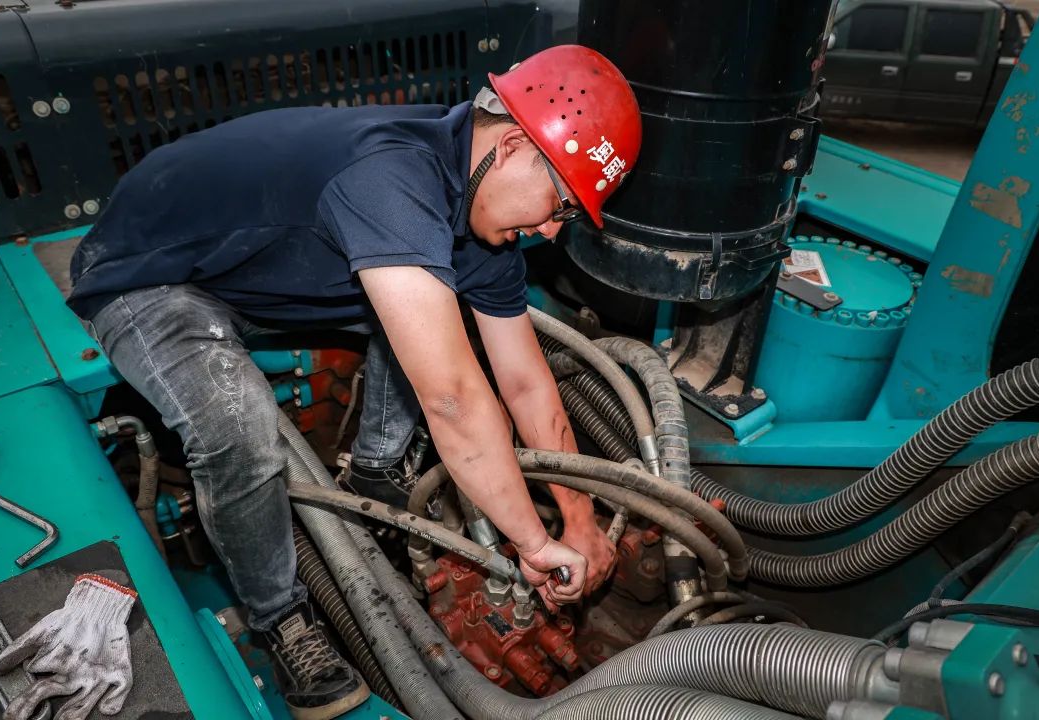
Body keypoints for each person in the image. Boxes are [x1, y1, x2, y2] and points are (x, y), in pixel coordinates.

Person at [65, 44, 641, 719]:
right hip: (154, 275)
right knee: (238, 425)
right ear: (513, 143)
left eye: (566, 219)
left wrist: (581, 520)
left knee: (430, 314)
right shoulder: (392, 179)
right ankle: (281, 617)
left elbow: (525, 384)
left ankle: (372, 470)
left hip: (264, 274)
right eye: (559, 203)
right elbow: (452, 397)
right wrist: (535, 546)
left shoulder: (480, 222)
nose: (548, 229)